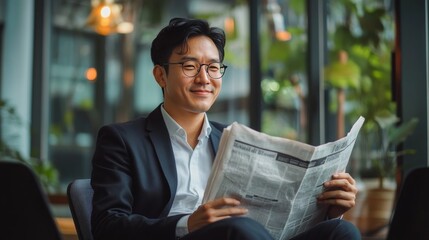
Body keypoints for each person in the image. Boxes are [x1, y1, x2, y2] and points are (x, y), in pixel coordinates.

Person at [90, 17, 361, 240]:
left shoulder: (234, 139)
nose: (204, 78)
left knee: (340, 230)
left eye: (213, 67)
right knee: (239, 228)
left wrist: (328, 210)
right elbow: (107, 226)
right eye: (190, 66)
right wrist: (187, 224)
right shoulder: (122, 140)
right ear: (161, 74)